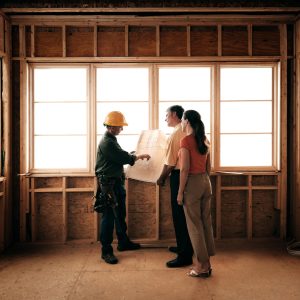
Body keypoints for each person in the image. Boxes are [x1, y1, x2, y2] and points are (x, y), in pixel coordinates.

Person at [95, 111, 151, 265]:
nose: (122, 129)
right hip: (108, 185)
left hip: (115, 183)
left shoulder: (112, 139)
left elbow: (121, 154)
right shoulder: (107, 142)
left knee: (120, 214)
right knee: (109, 218)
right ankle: (106, 251)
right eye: (120, 126)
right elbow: (123, 158)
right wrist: (137, 156)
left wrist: (133, 154)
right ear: (111, 126)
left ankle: (123, 242)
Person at [177, 110, 215, 278]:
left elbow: (184, 169)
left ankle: (202, 267)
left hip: (192, 184)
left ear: (187, 122)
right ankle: (207, 263)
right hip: (206, 182)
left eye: (182, 120)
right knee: (206, 223)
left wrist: (180, 193)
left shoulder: (185, 140)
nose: (181, 123)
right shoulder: (204, 140)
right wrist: (204, 180)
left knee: (194, 226)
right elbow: (208, 167)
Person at [157, 105, 193, 268]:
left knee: (179, 215)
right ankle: (185, 247)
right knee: (186, 215)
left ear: (175, 115)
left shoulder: (176, 134)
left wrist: (161, 178)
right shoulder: (188, 130)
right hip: (192, 177)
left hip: (179, 176)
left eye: (167, 115)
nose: (165, 119)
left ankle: (184, 255)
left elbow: (171, 163)